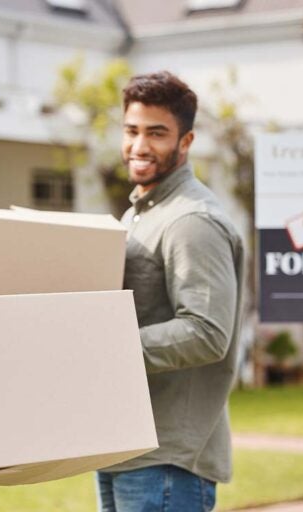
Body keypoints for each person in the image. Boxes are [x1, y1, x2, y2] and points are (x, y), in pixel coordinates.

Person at [96, 72, 244, 512]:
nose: (139, 146)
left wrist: (104, 348)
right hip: (123, 442)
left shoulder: (191, 222)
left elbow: (206, 332)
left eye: (156, 133)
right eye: (131, 130)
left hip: (167, 457)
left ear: (185, 140)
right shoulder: (139, 214)